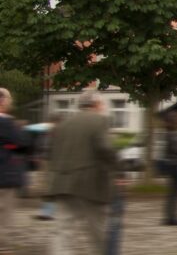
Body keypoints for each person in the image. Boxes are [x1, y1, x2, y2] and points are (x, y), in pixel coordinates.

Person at [48, 91, 117, 254]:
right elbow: (105, 148)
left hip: (62, 183)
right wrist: (117, 166)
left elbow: (54, 153)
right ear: (96, 105)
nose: (104, 107)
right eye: (103, 104)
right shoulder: (99, 120)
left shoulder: (64, 124)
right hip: (90, 183)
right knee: (96, 231)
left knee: (62, 231)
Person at [0, 87, 31, 254]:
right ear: (2, 102)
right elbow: (23, 144)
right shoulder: (6, 122)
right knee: (4, 216)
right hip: (4, 175)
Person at [162, 110, 177, 226]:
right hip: (176, 165)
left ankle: (170, 216)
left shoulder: (169, 133)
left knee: (173, 193)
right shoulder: (173, 134)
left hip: (172, 165)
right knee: (176, 192)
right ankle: (171, 217)